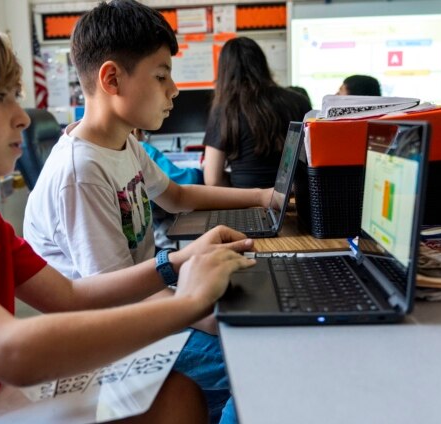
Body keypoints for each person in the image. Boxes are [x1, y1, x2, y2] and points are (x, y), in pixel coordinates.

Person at [0, 8, 258, 423]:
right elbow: (11, 351)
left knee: (177, 396)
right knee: (241, 369)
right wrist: (187, 302)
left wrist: (177, 263)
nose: (22, 117)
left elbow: (69, 296)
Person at [23, 2, 273, 423]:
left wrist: (261, 197)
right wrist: (201, 311)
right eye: (161, 76)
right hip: (111, 337)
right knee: (253, 361)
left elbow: (174, 195)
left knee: (247, 335)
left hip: (142, 306)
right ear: (112, 78)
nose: (174, 89)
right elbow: (112, 293)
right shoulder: (81, 172)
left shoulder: (123, 144)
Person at [202, 37, 312, 189]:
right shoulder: (299, 101)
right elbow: (310, 161)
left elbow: (212, 179)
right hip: (292, 202)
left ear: (224, 71)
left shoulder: (225, 108)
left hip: (246, 204)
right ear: (262, 64)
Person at [134, 128, 204, 252]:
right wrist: (201, 172)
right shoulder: (141, 148)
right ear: (136, 131)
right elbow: (183, 182)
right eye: (144, 133)